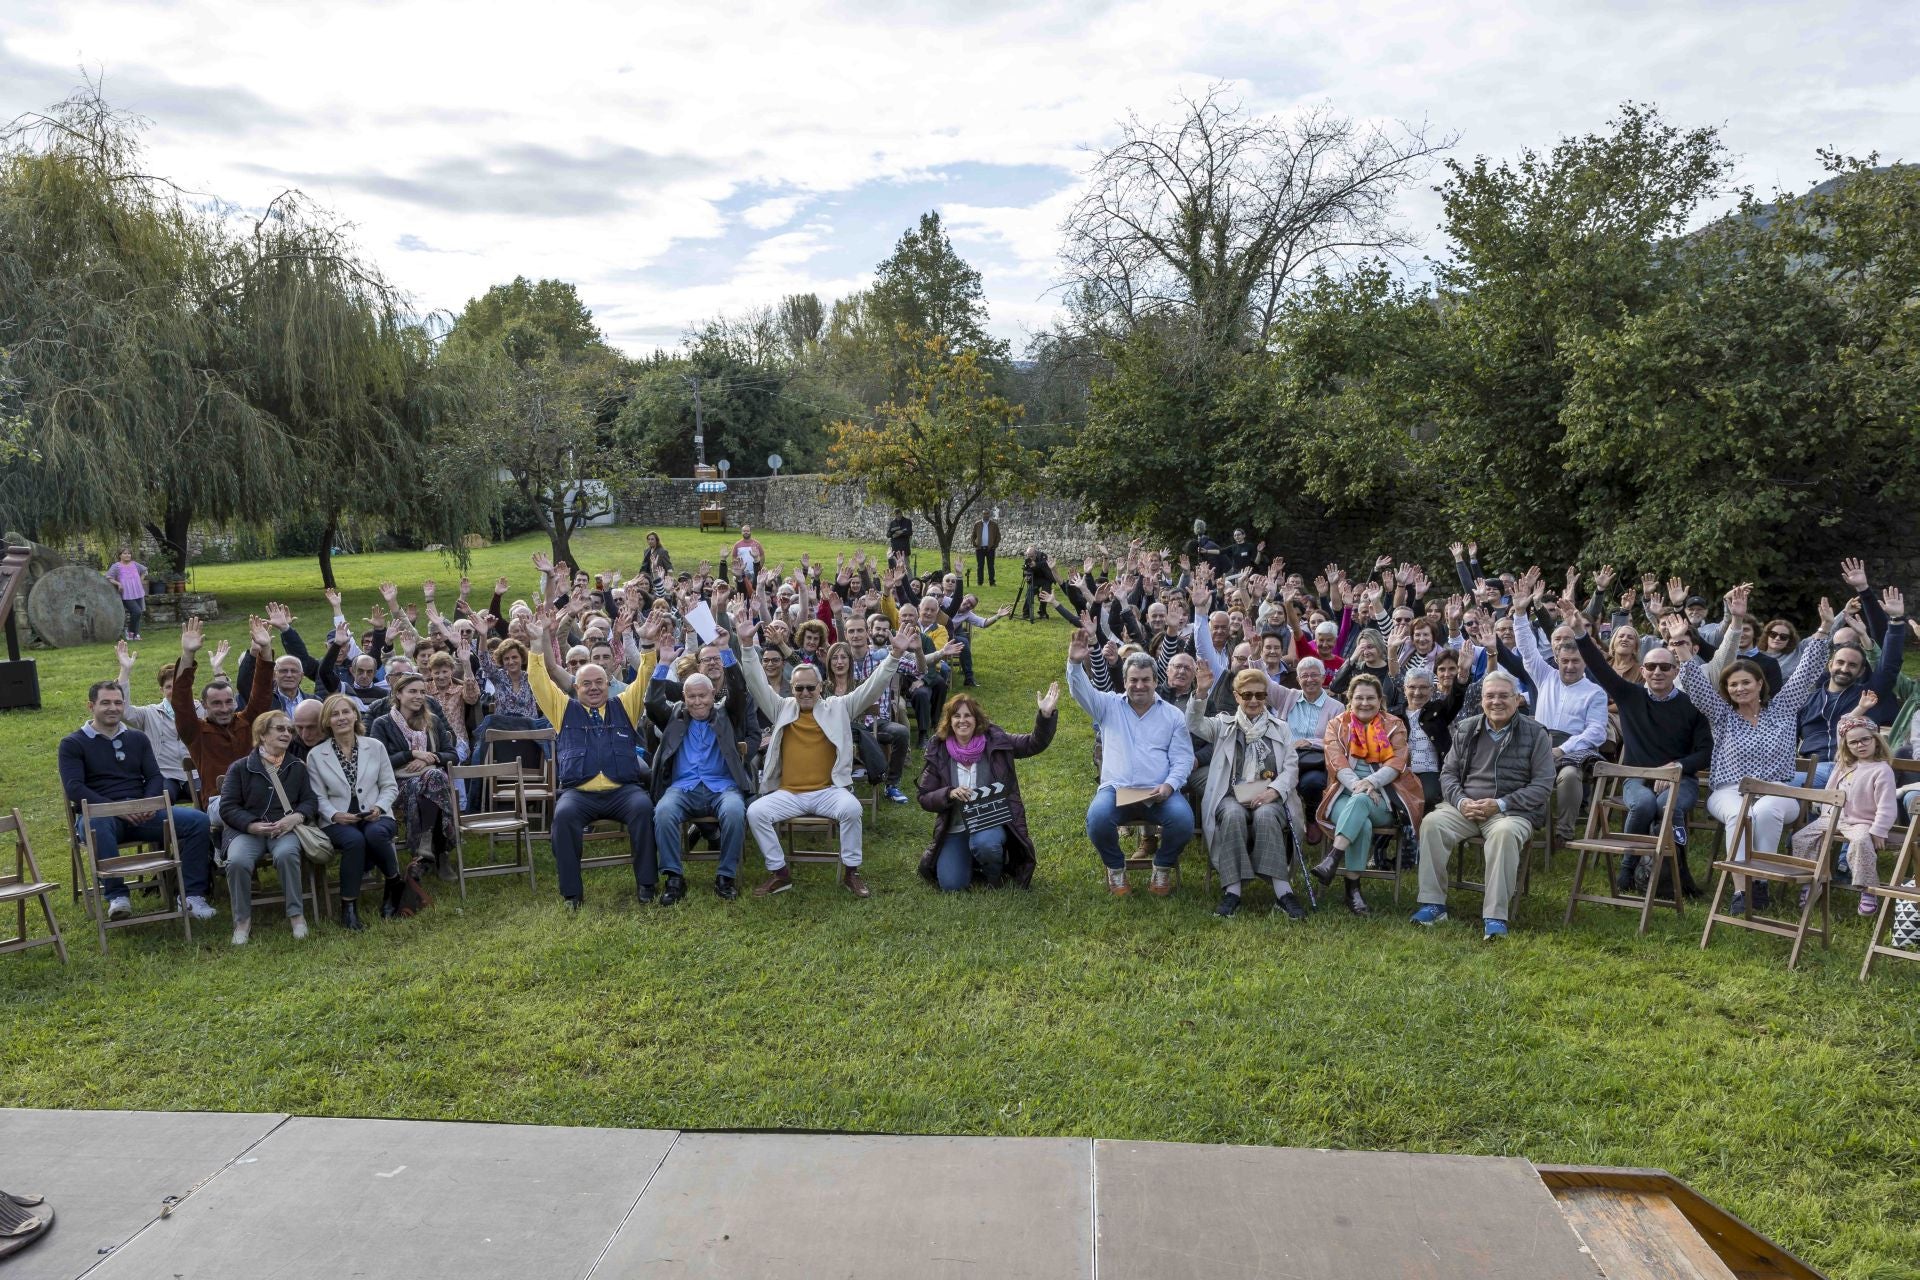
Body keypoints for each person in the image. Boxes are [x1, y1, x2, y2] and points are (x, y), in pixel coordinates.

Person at [1680, 587, 1836, 916]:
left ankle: (1761, 883)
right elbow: (1695, 685)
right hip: (1728, 791)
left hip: (1777, 792)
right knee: (1741, 814)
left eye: (1745, 683)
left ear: (1760, 684)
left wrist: (1823, 630)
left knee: (1764, 812)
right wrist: (1683, 648)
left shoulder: (1781, 709)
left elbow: (1806, 674)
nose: (1739, 689)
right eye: (1733, 685)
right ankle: (1741, 891)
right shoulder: (1721, 715)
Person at [741, 612, 909, 897]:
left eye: (810, 687)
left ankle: (851, 873)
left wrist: (894, 655)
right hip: (789, 793)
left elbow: (871, 688)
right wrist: (746, 646)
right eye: (799, 688)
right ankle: (780, 873)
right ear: (791, 689)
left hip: (828, 791)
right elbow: (757, 683)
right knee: (756, 811)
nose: (805, 692)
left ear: (820, 687)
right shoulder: (782, 707)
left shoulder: (838, 707)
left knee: (852, 809)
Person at [1569, 606, 1712, 896]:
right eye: (1651, 667)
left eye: (1665, 667)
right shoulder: (1628, 695)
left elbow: (1705, 752)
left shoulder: (1692, 704)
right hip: (1636, 776)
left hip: (1679, 777)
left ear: (1676, 670)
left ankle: (1675, 874)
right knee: (1645, 804)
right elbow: (1598, 666)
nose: (1657, 672)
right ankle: (1628, 869)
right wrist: (1580, 633)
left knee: (1667, 807)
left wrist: (1674, 767)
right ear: (1643, 671)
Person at [527, 608, 659, 908]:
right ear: (576, 687)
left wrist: (648, 646)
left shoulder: (625, 705)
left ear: (608, 682)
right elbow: (538, 680)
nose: (594, 687)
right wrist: (536, 645)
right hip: (579, 793)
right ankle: (572, 893)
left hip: (623, 791)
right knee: (562, 817)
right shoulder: (563, 710)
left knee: (643, 809)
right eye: (586, 683)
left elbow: (645, 678)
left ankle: (647, 885)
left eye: (599, 682)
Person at [1410, 671, 1555, 939]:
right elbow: (1448, 774)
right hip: (1465, 806)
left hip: (1511, 811)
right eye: (1490, 696)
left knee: (1504, 834)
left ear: (1516, 699)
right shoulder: (1467, 728)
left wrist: (1499, 804)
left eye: (1503, 695)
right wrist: (1462, 801)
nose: (1496, 701)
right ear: (1482, 701)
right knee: (1432, 823)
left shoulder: (1536, 733)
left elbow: (1543, 785)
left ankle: (1495, 917)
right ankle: (1433, 904)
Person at [59, 679, 216, 922]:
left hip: (144, 813)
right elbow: (74, 788)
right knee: (96, 826)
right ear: (91, 706)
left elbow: (154, 776)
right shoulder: (73, 743)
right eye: (106, 703)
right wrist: (117, 809)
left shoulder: (137, 739)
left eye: (118, 702)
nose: (113, 708)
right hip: (101, 815)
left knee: (198, 821)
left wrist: (148, 804)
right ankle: (117, 897)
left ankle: (191, 895)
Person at [1068, 629, 1195, 897]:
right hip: (1117, 790)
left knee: (1183, 821)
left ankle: (1161, 866)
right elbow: (1081, 692)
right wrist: (1076, 665)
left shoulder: (1172, 715)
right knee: (1097, 819)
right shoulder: (1108, 706)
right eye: (1133, 680)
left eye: (1145, 680)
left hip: (1158, 791)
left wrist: (1170, 786)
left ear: (1155, 680)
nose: (1139, 685)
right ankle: (1116, 869)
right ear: (1124, 681)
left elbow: (1183, 757)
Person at [1188, 664, 1304, 919]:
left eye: (1260, 695)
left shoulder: (1280, 727)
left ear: (1266, 697)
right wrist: (1201, 693)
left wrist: (1274, 791)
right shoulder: (1222, 724)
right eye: (1247, 694)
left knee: (1266, 816)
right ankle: (1233, 891)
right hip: (1231, 795)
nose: (1253, 700)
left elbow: (1291, 768)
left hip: (1270, 795)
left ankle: (1283, 892)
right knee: (1232, 815)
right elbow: (1194, 724)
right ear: (1237, 696)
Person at [647, 630, 754, 903]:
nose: (697, 702)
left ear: (712, 695)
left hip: (722, 787)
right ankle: (674, 878)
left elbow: (739, 691)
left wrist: (726, 650)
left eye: (703, 696)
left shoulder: (726, 715)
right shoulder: (674, 716)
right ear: (684, 696)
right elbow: (651, 702)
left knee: (733, 810)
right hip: (683, 788)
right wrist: (663, 663)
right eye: (692, 697)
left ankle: (725, 876)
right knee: (663, 811)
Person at [916, 687, 1058, 891]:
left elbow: (1032, 744)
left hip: (989, 822)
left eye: (968, 716)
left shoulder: (995, 740)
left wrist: (1045, 716)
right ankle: (970, 860)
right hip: (955, 827)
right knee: (951, 885)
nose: (962, 720)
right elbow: (924, 797)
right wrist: (948, 793)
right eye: (956, 716)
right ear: (949, 721)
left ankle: (995, 873)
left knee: (985, 843)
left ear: (977, 720)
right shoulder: (939, 750)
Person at [1313, 673, 1426, 916]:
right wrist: (1360, 786)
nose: (1365, 703)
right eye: (1359, 698)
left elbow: (1397, 763)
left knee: (1363, 802)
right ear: (1350, 699)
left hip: (1385, 799)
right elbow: (1337, 763)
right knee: (1361, 821)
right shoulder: (1337, 725)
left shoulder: (1394, 724)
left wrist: (1371, 782)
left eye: (1370, 698)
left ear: (1380, 700)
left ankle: (1334, 858)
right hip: (1343, 794)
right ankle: (1352, 890)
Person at [217, 710, 319, 946]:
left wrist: (295, 817)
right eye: (280, 729)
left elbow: (310, 801)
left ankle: (296, 916)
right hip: (247, 831)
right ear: (262, 735)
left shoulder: (297, 766)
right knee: (238, 862)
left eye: (289, 730)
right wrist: (251, 825)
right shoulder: (240, 767)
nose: (287, 733)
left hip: (284, 830)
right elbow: (228, 807)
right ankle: (242, 922)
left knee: (286, 855)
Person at [307, 693, 403, 929]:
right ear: (327, 721)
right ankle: (348, 908)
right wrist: (334, 814)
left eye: (345, 712)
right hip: (336, 820)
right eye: (335, 714)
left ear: (355, 715)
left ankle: (394, 885)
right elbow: (317, 796)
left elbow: (390, 785)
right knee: (354, 841)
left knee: (374, 834)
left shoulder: (375, 746)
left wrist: (379, 807)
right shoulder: (316, 756)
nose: (341, 718)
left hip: (376, 814)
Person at [1788, 711, 1897, 916]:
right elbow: (1842, 727)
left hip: (1861, 821)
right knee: (1801, 838)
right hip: (1831, 818)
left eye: (1865, 739)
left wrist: (1879, 830)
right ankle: (1811, 881)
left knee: (1861, 842)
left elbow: (1887, 805)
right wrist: (1861, 707)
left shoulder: (1881, 770)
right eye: (1853, 742)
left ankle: (1867, 889)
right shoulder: (1844, 764)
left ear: (1876, 740)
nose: (1860, 745)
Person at [171, 617, 276, 820]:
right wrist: (188, 654)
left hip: (256, 797)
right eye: (216, 703)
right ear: (204, 705)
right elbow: (180, 701)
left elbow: (262, 692)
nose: (224, 708)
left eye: (228, 702)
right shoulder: (195, 732)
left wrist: (265, 649)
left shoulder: (247, 722)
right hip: (219, 803)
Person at [370, 673, 460, 876]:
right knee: (435, 781)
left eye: (422, 692)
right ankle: (441, 852)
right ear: (398, 694)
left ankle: (425, 848)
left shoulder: (433, 721)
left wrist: (430, 757)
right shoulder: (382, 724)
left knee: (433, 779)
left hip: (430, 780)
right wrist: (410, 754)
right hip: (396, 785)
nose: (419, 696)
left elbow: (452, 755)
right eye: (413, 691)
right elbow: (377, 762)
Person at [114, 639, 193, 804]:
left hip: (196, 773)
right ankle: (164, 830)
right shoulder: (150, 713)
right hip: (164, 774)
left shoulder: (200, 710)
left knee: (209, 797)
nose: (175, 691)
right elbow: (124, 712)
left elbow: (226, 707)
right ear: (162, 690)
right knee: (157, 801)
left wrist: (218, 671)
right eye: (169, 687)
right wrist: (125, 671)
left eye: (179, 685)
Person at [105, 548, 149, 641]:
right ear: (120, 555)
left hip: (138, 592)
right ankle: (129, 631)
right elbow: (108, 577)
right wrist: (118, 584)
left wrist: (141, 580)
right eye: (125, 553)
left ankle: (136, 635)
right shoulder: (116, 566)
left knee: (137, 613)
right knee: (137, 611)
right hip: (126, 594)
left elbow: (145, 571)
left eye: (129, 553)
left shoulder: (135, 564)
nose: (127, 555)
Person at [973, 508, 1001, 586]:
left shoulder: (994, 525)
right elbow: (973, 535)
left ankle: (992, 582)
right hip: (980, 549)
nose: (986, 515)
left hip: (990, 549)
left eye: (987, 514)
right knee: (980, 566)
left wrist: (994, 546)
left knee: (991, 566)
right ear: (982, 514)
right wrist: (975, 544)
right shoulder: (977, 524)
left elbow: (998, 536)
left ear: (989, 514)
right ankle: (980, 582)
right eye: (984, 514)